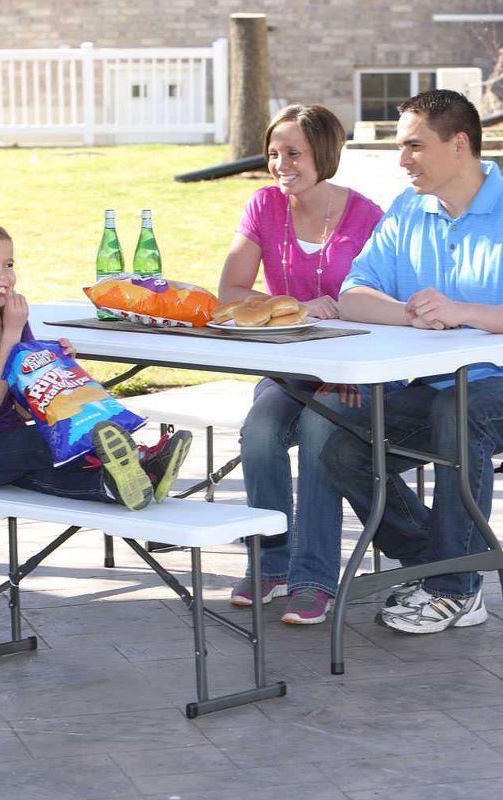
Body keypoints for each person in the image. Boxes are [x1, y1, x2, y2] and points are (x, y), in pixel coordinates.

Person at [321, 88, 503, 634]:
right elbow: (353, 295)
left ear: (460, 144)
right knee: (342, 445)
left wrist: (463, 311)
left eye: (415, 146)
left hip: (490, 390)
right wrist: (411, 314)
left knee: (459, 410)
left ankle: (454, 586)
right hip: (436, 386)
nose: (402, 161)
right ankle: (439, 565)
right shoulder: (407, 210)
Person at [219, 104, 385, 624]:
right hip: (288, 366)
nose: (280, 164)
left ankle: (314, 576)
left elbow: (385, 306)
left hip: (351, 371)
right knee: (259, 432)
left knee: (319, 433)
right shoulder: (264, 206)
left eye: (293, 153)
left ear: (324, 155)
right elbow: (229, 292)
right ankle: (270, 562)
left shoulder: (366, 216)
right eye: (273, 153)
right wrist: (293, 306)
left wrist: (355, 370)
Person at [0, 220, 192, 511]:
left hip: (10, 446)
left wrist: (56, 370)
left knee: (59, 463)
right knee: (55, 438)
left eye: (8, 264)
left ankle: (123, 483)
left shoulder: (11, 322)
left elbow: (26, 408)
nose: (3, 275)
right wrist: (13, 334)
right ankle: (142, 458)